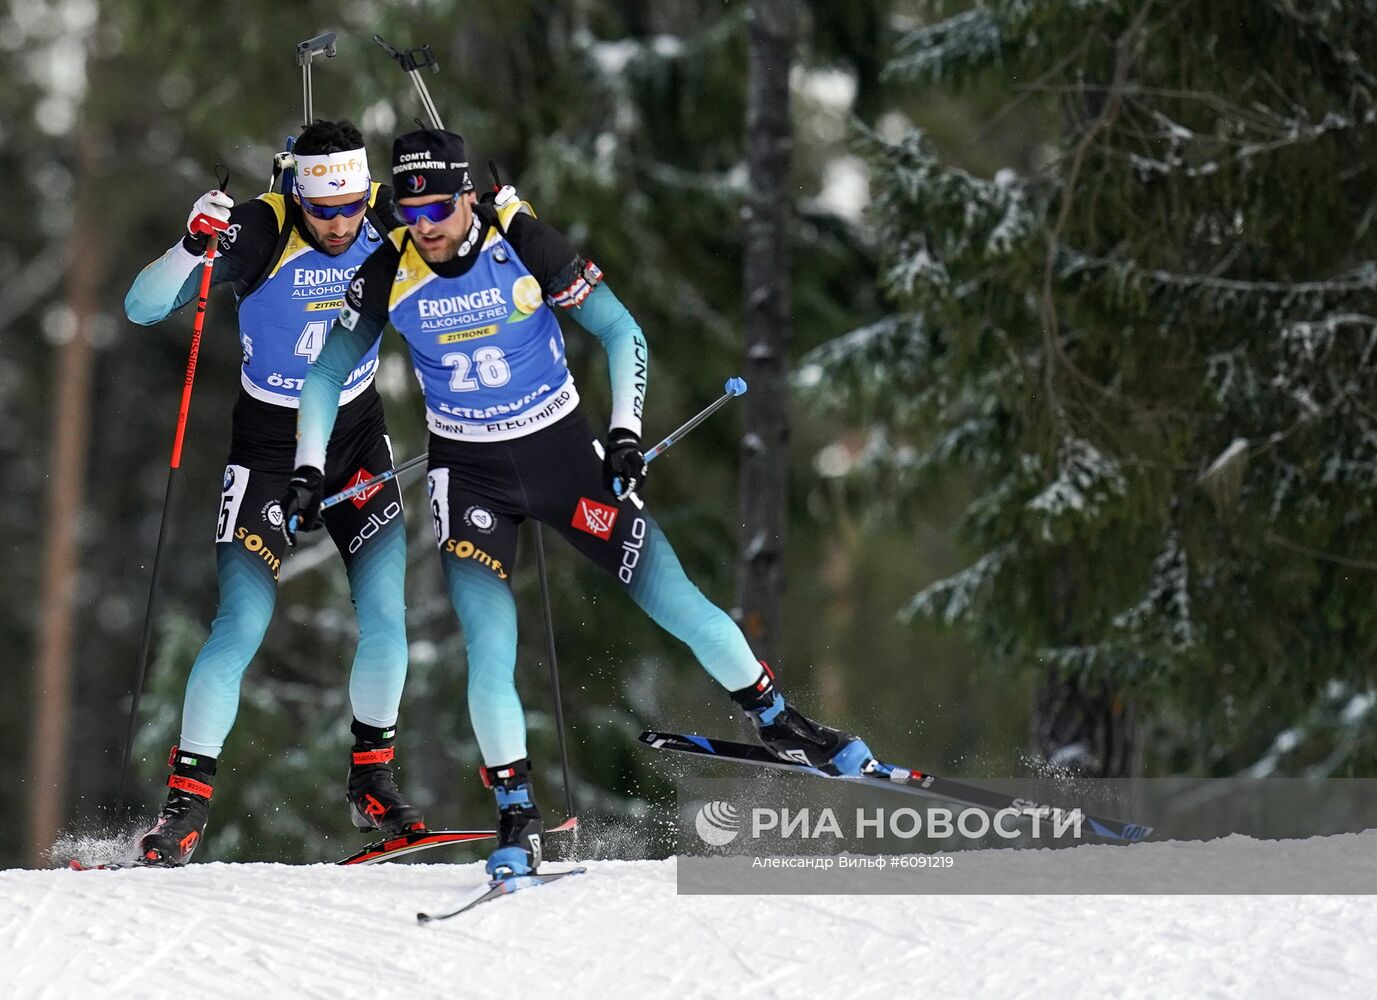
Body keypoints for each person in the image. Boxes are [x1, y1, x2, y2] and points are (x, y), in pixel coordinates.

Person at [281, 127, 872, 877]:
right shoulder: (383, 270)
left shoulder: (523, 241)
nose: (423, 227)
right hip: (470, 478)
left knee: (676, 600)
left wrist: (624, 434)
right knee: (489, 646)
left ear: (468, 196)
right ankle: (516, 814)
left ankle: (776, 720)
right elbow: (326, 374)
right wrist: (307, 466)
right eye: (407, 211)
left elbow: (621, 330)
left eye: (437, 209)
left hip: (562, 459)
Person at [123, 120, 422, 866]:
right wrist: (191, 247)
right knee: (241, 624)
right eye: (325, 210)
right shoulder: (258, 230)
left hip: (354, 443)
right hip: (267, 449)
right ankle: (184, 809)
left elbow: (480, 244)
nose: (342, 223)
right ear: (296, 191)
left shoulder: (388, 214)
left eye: (352, 205)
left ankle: (372, 781)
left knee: (387, 618)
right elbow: (142, 307)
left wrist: (501, 213)